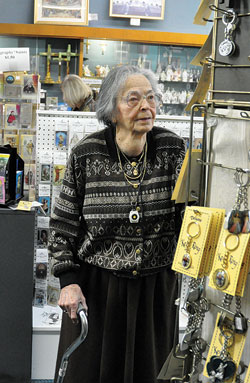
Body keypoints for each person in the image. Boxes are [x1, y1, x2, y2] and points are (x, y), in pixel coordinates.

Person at [48, 65, 185, 383]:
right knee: (91, 372)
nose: (146, 107)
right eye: (133, 99)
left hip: (155, 289)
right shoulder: (86, 154)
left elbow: (190, 216)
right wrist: (68, 281)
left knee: (150, 373)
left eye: (151, 98)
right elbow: (63, 225)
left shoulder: (172, 149)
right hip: (97, 289)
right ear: (111, 109)